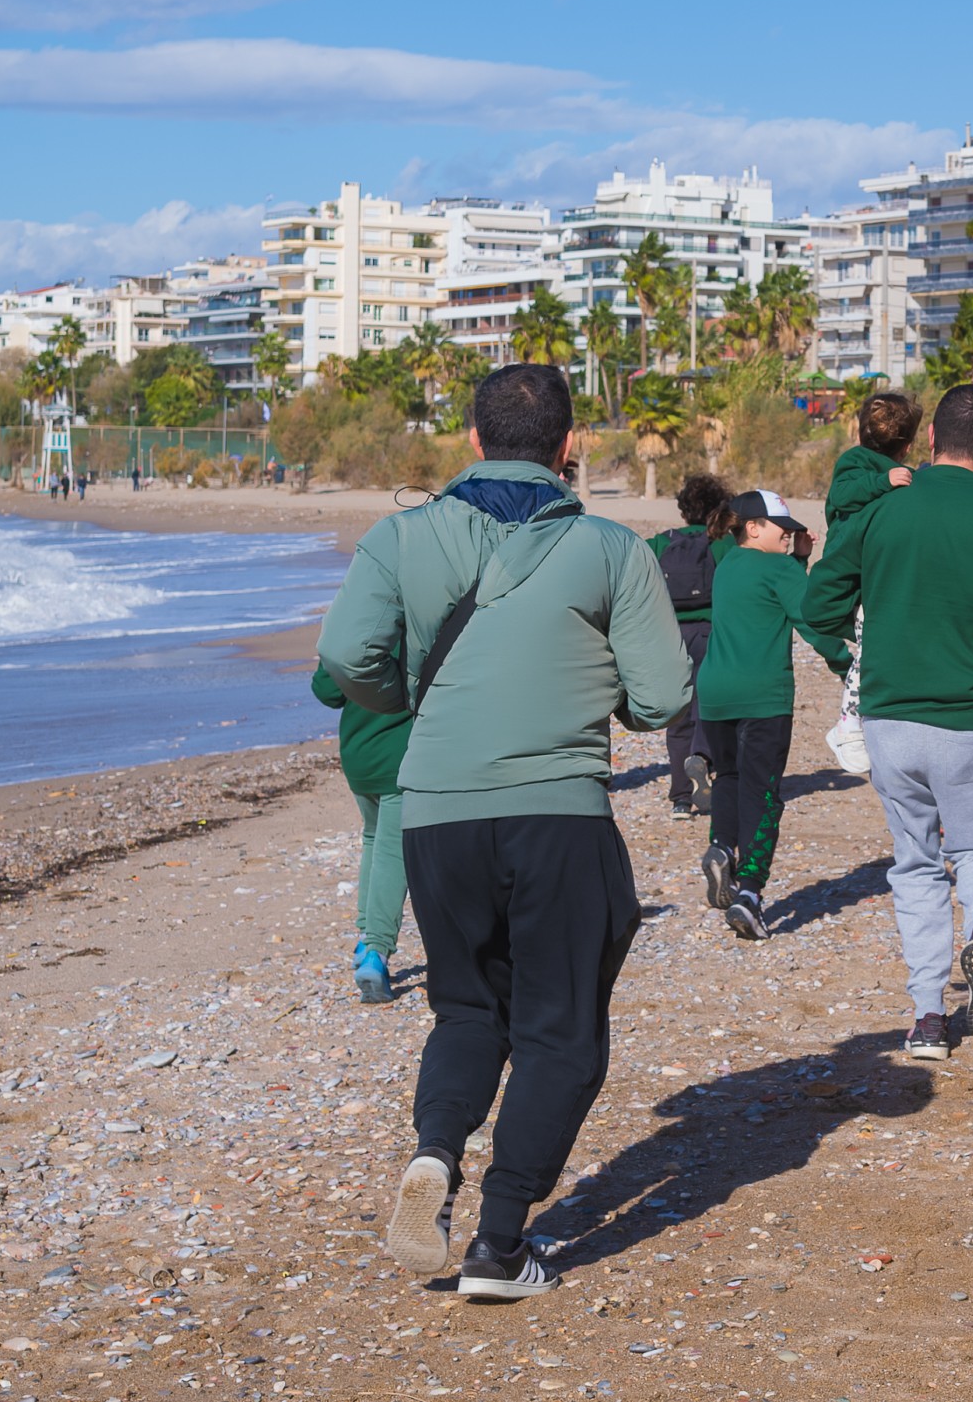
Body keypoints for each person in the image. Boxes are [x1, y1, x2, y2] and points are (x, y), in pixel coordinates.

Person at [319, 363, 693, 1300]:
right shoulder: (610, 548)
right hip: (558, 811)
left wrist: (413, 695)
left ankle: (438, 1152)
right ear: (572, 450)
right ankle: (498, 1240)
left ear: (473, 441)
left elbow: (342, 659)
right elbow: (662, 699)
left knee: (467, 1007)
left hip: (438, 812)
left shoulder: (401, 536)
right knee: (562, 1031)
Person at [803, 383, 973, 1062]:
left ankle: (928, 1015)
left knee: (916, 862)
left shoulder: (881, 511)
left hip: (891, 718)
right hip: (972, 716)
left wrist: (862, 644)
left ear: (930, 441)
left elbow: (819, 607)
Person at [697, 488, 852, 940]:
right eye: (781, 530)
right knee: (763, 794)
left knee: (727, 777)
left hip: (715, 694)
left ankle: (722, 846)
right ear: (753, 527)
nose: (789, 536)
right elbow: (812, 621)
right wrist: (848, 667)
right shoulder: (779, 568)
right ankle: (750, 896)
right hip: (762, 697)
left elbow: (767, 604)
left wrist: (795, 560)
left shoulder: (729, 565)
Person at [823, 393, 921, 775]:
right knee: (867, 650)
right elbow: (842, 495)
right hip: (855, 571)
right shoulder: (855, 463)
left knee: (873, 647)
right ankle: (847, 724)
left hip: (871, 569)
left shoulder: (893, 470)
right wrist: (883, 481)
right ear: (908, 444)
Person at [309, 661, 412, 1003]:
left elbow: (326, 691)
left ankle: (366, 937)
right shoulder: (415, 618)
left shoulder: (354, 626)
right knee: (392, 849)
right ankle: (377, 949)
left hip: (358, 754)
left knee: (373, 838)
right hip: (398, 755)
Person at [649, 474, 738, 819]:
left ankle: (680, 801)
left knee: (678, 717)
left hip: (670, 636)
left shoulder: (660, 542)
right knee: (708, 707)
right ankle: (701, 759)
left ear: (684, 509)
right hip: (712, 634)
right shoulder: (723, 544)